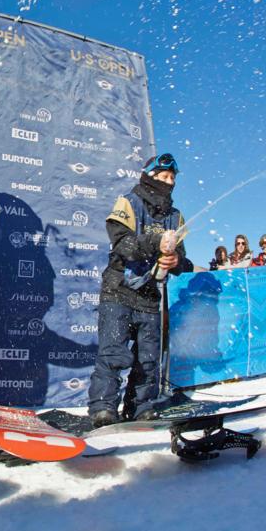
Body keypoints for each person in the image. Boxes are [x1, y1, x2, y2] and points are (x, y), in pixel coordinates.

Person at [87, 153, 193, 428]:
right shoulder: (129, 203)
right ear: (149, 175)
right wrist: (156, 242)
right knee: (113, 353)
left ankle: (140, 406)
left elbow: (181, 257)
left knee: (147, 359)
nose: (168, 182)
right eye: (163, 176)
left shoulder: (176, 216)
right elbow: (121, 243)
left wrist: (175, 260)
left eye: (172, 178)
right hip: (119, 289)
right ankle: (103, 408)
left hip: (150, 295)